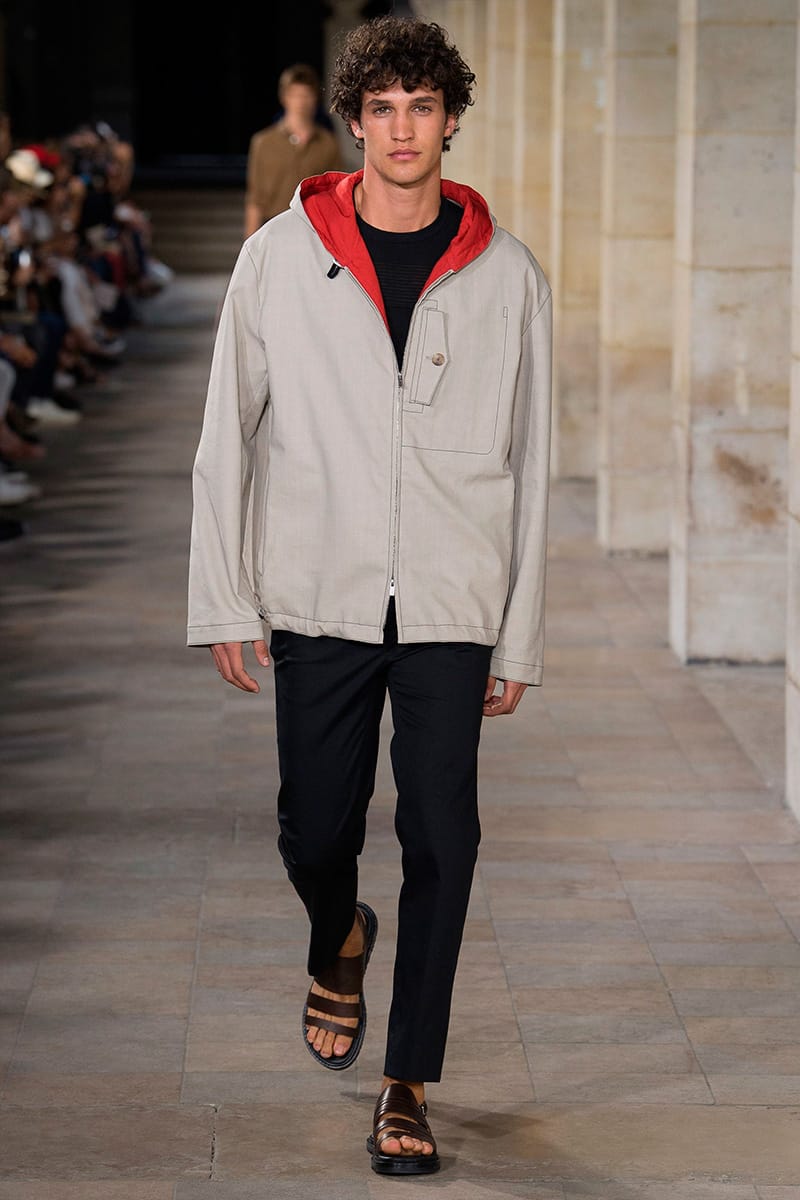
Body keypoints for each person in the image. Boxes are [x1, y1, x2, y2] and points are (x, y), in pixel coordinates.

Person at [188, 15, 552, 1177]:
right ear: (353, 121)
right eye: (381, 108)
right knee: (315, 830)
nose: (401, 129)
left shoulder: (506, 274)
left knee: (444, 835)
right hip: (317, 591)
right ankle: (337, 932)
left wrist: (518, 633)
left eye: (421, 107)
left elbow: (533, 461)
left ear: (450, 121)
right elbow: (225, 437)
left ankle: (407, 1081)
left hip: (450, 600)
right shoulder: (280, 258)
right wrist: (224, 600)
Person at [243, 62, 343, 238]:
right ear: (284, 97)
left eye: (306, 95)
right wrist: (249, 244)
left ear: (315, 98)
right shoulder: (263, 143)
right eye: (295, 95)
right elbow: (255, 200)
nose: (300, 102)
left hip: (315, 232)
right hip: (273, 231)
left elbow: (337, 196)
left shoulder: (328, 143)